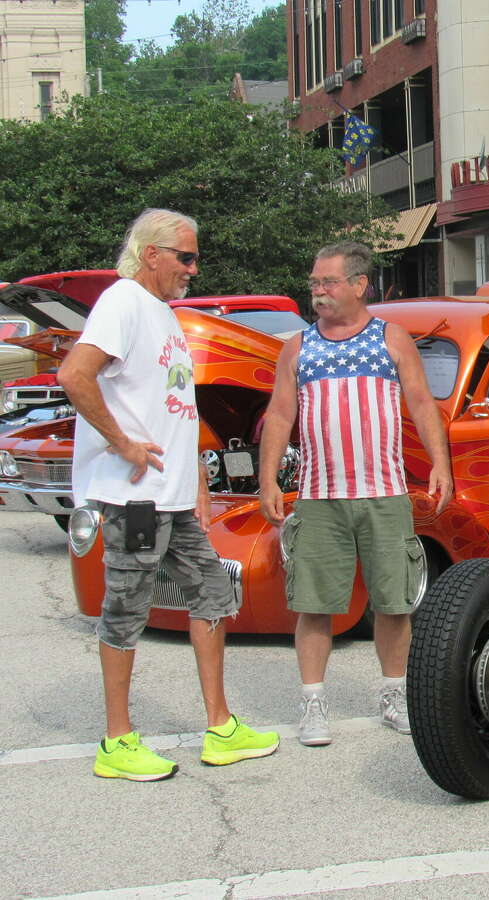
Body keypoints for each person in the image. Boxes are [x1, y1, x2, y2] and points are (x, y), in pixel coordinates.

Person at [59, 208, 279, 781]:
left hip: (173, 499)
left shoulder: (163, 314)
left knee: (213, 590)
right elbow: (74, 375)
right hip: (134, 499)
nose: (194, 268)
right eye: (185, 256)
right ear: (150, 253)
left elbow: (175, 409)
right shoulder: (124, 302)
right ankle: (116, 742)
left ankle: (221, 728)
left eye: (195, 257)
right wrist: (123, 443)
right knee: (126, 608)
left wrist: (198, 482)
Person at [258, 241, 453, 746]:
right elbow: (280, 414)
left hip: (385, 494)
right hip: (319, 497)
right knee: (314, 604)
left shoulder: (391, 338)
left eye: (328, 283)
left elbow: (420, 402)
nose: (318, 292)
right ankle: (313, 704)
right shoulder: (298, 348)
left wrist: (440, 464)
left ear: (359, 285)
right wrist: (268, 479)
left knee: (394, 603)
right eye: (315, 283)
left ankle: (393, 696)